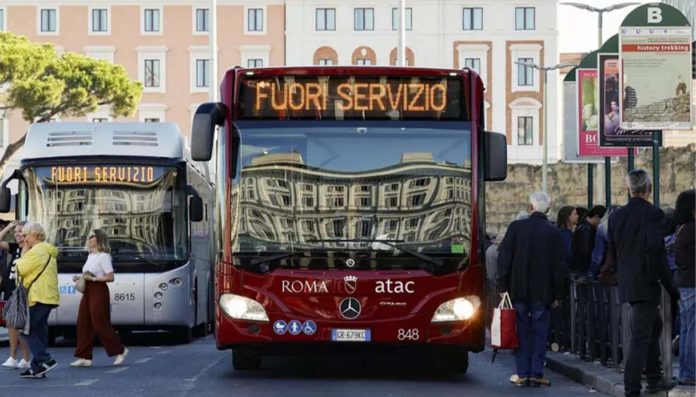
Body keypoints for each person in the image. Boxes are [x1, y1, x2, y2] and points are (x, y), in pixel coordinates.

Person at [607, 170, 680, 396]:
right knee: (640, 337)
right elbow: (656, 252)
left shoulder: (617, 216)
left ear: (629, 189)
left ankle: (654, 376)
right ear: (648, 188)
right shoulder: (653, 214)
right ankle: (633, 388)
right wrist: (670, 285)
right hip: (646, 282)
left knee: (653, 327)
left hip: (628, 281)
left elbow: (614, 250)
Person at [497, 192, 567, 387]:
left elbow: (504, 258)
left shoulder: (516, 228)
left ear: (530, 207)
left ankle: (522, 373)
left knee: (521, 331)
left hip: (517, 290)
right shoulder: (553, 233)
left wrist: (502, 286)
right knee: (540, 331)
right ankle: (537, 373)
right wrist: (559, 294)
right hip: (543, 292)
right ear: (548, 209)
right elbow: (559, 267)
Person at [71, 229, 128, 368]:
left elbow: (110, 277)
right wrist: (80, 277)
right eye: (88, 236)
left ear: (99, 239)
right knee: (83, 321)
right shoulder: (90, 256)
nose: (89, 238)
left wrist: (95, 278)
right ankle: (84, 357)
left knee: (99, 322)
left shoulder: (104, 256)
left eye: (92, 236)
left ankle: (120, 350)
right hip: (88, 290)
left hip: (99, 289)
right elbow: (88, 274)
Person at [16, 222, 59, 379]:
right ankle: (37, 367)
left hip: (38, 296)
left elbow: (20, 269)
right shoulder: (46, 249)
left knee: (25, 329)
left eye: (26, 235)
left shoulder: (37, 251)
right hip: (47, 295)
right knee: (39, 330)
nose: (24, 238)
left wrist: (24, 252)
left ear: (33, 235)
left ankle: (45, 359)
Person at [0, 221, 31, 369]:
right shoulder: (14, 248)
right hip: (9, 289)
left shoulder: (30, 249)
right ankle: (13, 356)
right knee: (10, 323)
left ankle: (25, 358)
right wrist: (8, 228)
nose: (17, 234)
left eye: (20, 231)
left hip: (21, 290)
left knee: (20, 325)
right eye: (16, 232)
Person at [674, 189, 695, 385]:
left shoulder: (681, 228)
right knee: (693, 329)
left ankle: (685, 371)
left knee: (688, 329)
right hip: (693, 282)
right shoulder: (693, 229)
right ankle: (690, 373)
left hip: (684, 283)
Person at [572, 205, 606, 276]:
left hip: (580, 268)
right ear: (596, 217)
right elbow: (586, 251)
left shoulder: (583, 227)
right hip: (584, 270)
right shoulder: (587, 230)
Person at [588, 206, 621, 278]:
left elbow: (598, 255)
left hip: (609, 269)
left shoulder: (602, 228)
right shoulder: (628, 227)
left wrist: (592, 271)